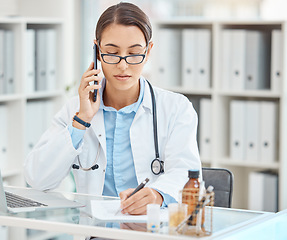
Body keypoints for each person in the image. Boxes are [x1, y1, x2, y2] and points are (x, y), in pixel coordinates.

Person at [24, 2, 201, 215]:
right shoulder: (76, 110)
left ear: (149, 50)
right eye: (112, 52)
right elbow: (37, 178)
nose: (123, 65)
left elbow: (186, 172)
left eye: (134, 53)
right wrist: (81, 120)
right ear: (97, 51)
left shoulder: (176, 109)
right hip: (96, 232)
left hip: (151, 231)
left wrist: (158, 195)